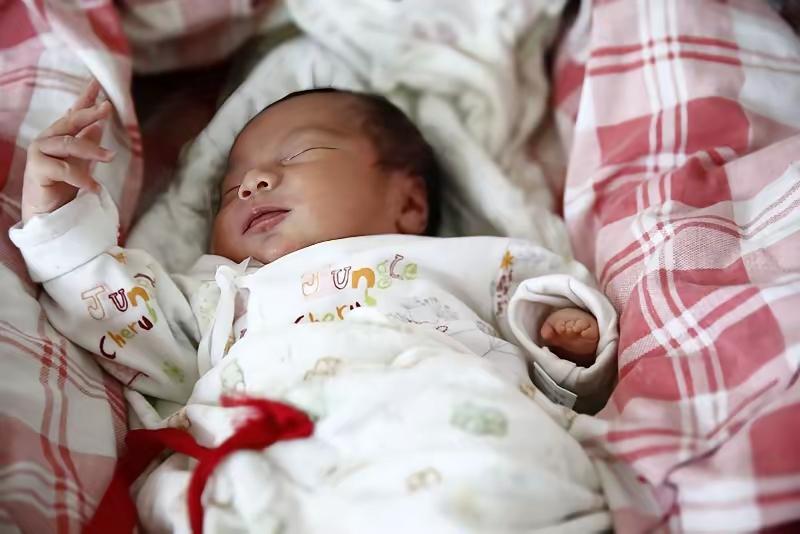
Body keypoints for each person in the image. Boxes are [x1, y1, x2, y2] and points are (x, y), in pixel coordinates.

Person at [9, 79, 617, 424]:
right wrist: (59, 219)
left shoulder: (458, 263)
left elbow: (536, 301)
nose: (251, 184)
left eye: (299, 154)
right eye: (228, 191)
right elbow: (118, 313)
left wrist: (560, 334)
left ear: (408, 204)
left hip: (450, 420)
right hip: (286, 451)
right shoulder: (223, 294)